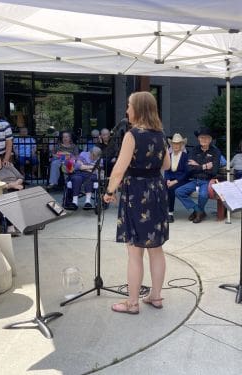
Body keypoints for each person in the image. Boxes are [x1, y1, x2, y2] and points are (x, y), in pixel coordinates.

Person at [103, 91, 170, 315]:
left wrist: (110, 191)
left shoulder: (132, 135)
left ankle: (132, 303)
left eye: (129, 105)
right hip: (157, 192)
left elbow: (119, 169)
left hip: (137, 194)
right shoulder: (161, 134)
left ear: (139, 109)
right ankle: (156, 296)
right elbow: (167, 165)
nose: (126, 110)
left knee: (134, 251)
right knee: (156, 249)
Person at [175, 127, 220, 223]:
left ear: (211, 139)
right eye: (201, 137)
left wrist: (197, 165)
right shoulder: (194, 150)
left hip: (206, 181)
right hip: (195, 180)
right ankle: (198, 210)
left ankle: (198, 213)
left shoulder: (215, 152)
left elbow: (214, 171)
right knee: (179, 191)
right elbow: (189, 169)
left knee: (203, 195)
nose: (204, 140)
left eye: (206, 138)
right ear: (198, 139)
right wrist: (204, 166)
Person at [0, 152, 24, 235]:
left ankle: (24, 223)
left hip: (17, 186)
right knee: (11, 197)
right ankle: (10, 225)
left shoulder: (8, 166)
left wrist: (16, 183)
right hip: (4, 190)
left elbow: (20, 177)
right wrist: (11, 185)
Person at [164, 133, 189, 223]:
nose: (176, 145)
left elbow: (186, 172)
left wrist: (175, 181)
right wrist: (167, 180)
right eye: (174, 143)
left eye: (178, 143)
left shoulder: (185, 156)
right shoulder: (169, 155)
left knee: (171, 188)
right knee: (159, 186)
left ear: (181, 145)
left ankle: (170, 213)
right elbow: (166, 169)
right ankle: (161, 211)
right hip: (170, 179)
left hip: (182, 180)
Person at [68, 146, 102, 210]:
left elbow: (96, 171)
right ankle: (74, 202)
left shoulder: (100, 159)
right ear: (90, 152)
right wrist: (92, 167)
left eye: (95, 157)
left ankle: (88, 202)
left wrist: (84, 166)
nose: (93, 158)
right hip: (79, 173)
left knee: (89, 178)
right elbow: (78, 166)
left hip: (91, 175)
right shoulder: (83, 154)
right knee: (76, 179)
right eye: (92, 156)